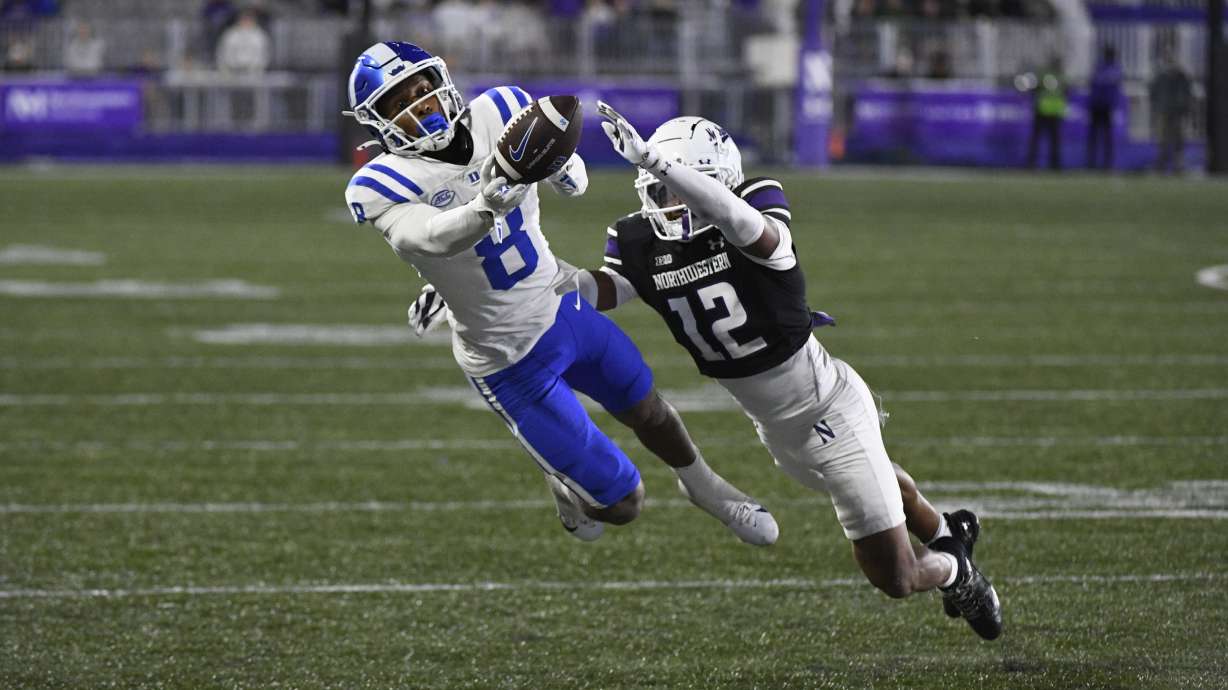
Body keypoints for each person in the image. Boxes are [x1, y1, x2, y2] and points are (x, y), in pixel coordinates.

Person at [578, 105, 1002, 639]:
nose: (674, 201)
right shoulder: (639, 241)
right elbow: (602, 290)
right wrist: (525, 284)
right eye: (663, 190)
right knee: (882, 480)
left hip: (828, 405)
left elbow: (747, 228)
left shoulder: (756, 204)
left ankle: (956, 570)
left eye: (685, 186)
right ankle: (949, 529)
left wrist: (662, 163)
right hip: (777, 429)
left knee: (897, 576)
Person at [342, 41, 778, 546]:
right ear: (379, 124)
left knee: (649, 409)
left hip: (560, 301)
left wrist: (562, 167)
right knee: (622, 505)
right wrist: (488, 200)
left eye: (422, 88)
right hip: (505, 358)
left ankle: (708, 488)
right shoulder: (379, 183)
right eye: (401, 103)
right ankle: (564, 485)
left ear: (442, 79)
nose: (421, 105)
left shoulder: (501, 109)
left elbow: (575, 183)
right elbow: (431, 237)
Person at [1150, 51, 1192, 175]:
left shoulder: (1181, 76)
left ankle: (1178, 165)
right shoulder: (1161, 76)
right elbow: (1153, 92)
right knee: (1163, 139)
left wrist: (1184, 108)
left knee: (1178, 139)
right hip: (1164, 111)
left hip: (1177, 112)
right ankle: (1161, 165)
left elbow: (1186, 94)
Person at [1026, 56, 1067, 170]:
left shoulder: (1043, 74)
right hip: (1054, 111)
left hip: (1042, 110)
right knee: (1054, 140)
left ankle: (1031, 164)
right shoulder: (1061, 76)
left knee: (1037, 139)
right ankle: (1055, 165)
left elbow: (1034, 88)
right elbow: (1067, 91)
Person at [1086, 45, 1121, 170]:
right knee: (1099, 136)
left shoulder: (1100, 68)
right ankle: (1097, 163)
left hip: (1102, 105)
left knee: (1101, 136)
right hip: (1101, 105)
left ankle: (1102, 163)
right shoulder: (1112, 69)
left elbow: (1094, 84)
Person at [215, 9, 269, 74]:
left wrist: (256, 69)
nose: (246, 22)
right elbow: (222, 53)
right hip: (233, 72)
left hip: (254, 73)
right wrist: (228, 69)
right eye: (244, 20)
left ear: (253, 21)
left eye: (249, 20)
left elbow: (264, 55)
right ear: (239, 21)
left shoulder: (260, 36)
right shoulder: (230, 34)